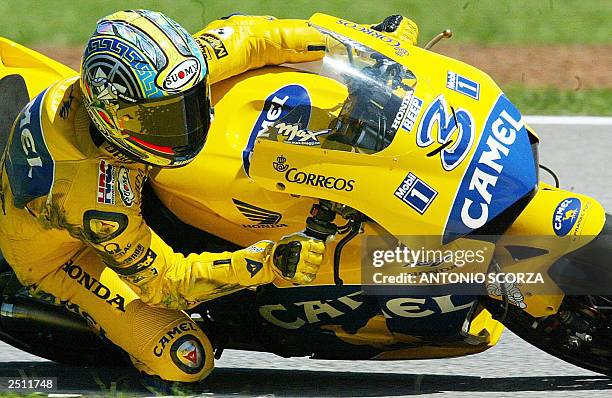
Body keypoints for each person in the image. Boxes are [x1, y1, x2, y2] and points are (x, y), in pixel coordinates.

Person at [0, 10, 418, 385]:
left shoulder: (169, 70)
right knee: (184, 362)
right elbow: (166, 283)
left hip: (121, 170)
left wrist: (364, 46)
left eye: (188, 102)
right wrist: (265, 262)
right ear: (112, 118)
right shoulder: (95, 199)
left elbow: (256, 38)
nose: (187, 122)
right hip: (62, 257)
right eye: (164, 118)